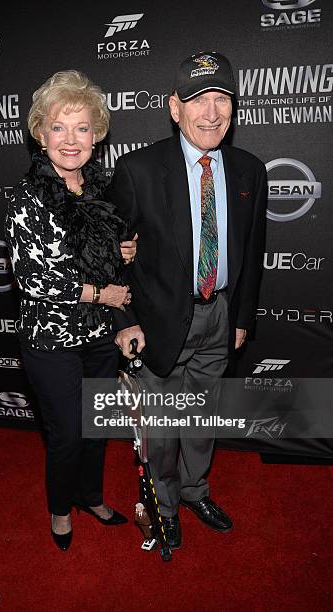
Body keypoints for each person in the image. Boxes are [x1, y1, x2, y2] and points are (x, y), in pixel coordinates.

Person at [108, 51, 267, 550]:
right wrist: (126, 319)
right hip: (156, 323)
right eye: (199, 100)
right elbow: (108, 256)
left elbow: (253, 248)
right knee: (160, 427)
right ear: (175, 107)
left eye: (223, 99)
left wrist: (239, 316)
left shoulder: (249, 170)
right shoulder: (137, 169)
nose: (213, 112)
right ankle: (166, 503)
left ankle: (196, 491)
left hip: (218, 316)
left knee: (200, 419)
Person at [4, 70, 137, 552]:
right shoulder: (27, 200)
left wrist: (122, 253)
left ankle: (91, 496)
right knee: (66, 436)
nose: (70, 139)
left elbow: (109, 257)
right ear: (40, 134)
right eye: (58, 127)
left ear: (97, 134)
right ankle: (60, 511)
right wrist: (102, 293)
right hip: (51, 340)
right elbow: (37, 281)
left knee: (96, 426)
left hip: (100, 336)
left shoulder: (101, 190)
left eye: (81, 127)